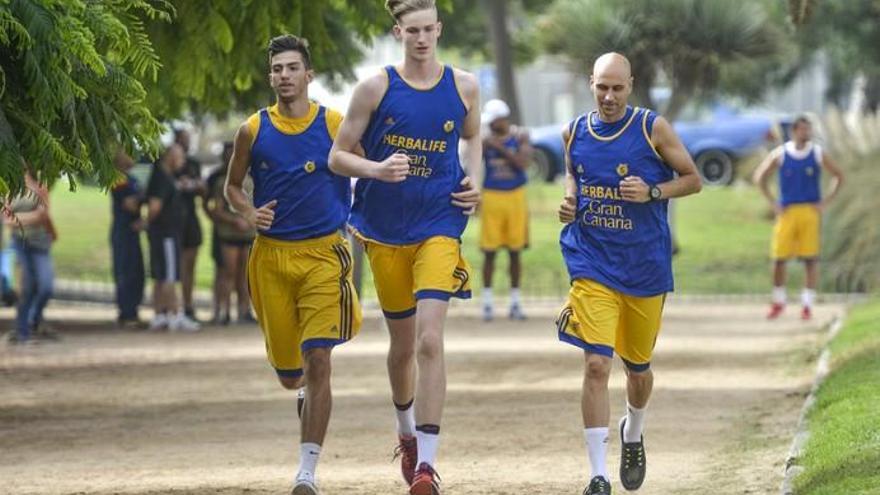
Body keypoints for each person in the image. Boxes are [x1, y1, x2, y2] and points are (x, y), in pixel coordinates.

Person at [329, 1, 482, 492]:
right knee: (401, 349)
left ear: (439, 29)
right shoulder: (375, 87)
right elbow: (337, 156)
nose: (421, 38)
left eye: (428, 30)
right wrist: (376, 169)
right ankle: (407, 433)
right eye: (411, 30)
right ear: (399, 32)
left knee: (429, 340)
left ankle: (427, 466)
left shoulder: (465, 85)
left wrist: (475, 182)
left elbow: (472, 138)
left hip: (441, 222)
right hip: (385, 229)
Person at [556, 53, 702, 495]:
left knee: (637, 371)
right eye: (602, 87)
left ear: (631, 86)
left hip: (643, 267)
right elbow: (572, 175)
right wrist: (569, 200)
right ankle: (598, 476)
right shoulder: (575, 132)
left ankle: (633, 431)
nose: (609, 96)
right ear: (591, 83)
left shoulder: (650, 128)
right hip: (591, 262)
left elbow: (693, 179)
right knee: (597, 364)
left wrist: (653, 191)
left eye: (618, 88)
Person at [225, 34, 362, 495]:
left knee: (319, 358)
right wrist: (248, 212)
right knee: (291, 376)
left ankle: (307, 472)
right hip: (271, 258)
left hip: (324, 254)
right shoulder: (253, 129)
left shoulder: (335, 124)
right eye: (277, 69)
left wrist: (360, 220)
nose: (284, 76)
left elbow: (364, 174)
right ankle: (301, 390)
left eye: (291, 68)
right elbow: (232, 187)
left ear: (309, 75)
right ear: (271, 77)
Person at [753, 115, 843, 320]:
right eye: (803, 129)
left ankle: (807, 304)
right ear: (794, 131)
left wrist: (825, 202)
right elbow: (760, 177)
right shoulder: (782, 154)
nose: (807, 133)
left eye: (808, 129)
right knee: (778, 258)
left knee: (810, 259)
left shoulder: (818, 153)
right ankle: (778, 301)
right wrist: (772, 202)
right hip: (787, 211)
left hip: (809, 211)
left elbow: (839, 175)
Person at [478, 98, 532, 322]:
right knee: (489, 251)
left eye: (494, 121)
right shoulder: (485, 141)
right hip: (491, 196)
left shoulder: (520, 138)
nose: (490, 125)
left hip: (515, 196)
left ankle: (515, 302)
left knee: (515, 251)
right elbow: (472, 160)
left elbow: (522, 164)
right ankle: (488, 303)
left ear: (503, 119)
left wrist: (498, 147)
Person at [145, 144, 201, 332]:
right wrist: (146, 222)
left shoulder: (167, 177)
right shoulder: (162, 178)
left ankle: (160, 314)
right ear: (170, 157)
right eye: (180, 157)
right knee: (169, 275)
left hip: (166, 232)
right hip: (166, 233)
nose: (183, 162)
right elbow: (154, 206)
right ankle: (175, 314)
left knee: (161, 275)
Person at [5, 172, 58, 344]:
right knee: (25, 287)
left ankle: (33, 318)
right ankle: (22, 331)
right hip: (19, 243)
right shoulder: (8, 187)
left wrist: (17, 218)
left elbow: (42, 215)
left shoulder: (40, 186)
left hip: (40, 244)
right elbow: (6, 219)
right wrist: (28, 218)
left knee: (46, 286)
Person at [207, 142, 256, 324]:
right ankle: (224, 311)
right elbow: (217, 209)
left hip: (248, 234)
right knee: (227, 273)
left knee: (245, 275)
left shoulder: (252, 181)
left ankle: (244, 310)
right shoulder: (222, 182)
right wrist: (234, 220)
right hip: (229, 234)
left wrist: (250, 219)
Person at [110, 150, 146, 328]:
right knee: (125, 271)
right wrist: (146, 196)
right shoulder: (118, 180)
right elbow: (130, 205)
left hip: (132, 232)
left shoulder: (131, 180)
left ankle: (133, 309)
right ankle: (126, 312)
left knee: (137, 271)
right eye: (128, 154)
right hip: (123, 232)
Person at [173, 128, 206, 321]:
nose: (186, 143)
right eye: (183, 139)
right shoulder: (168, 163)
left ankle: (188, 304)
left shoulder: (194, 164)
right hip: (175, 218)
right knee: (174, 265)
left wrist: (198, 187)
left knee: (190, 263)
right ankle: (174, 305)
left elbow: (202, 189)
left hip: (190, 217)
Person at [205, 143, 232, 325]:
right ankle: (218, 309)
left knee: (241, 272)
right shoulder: (215, 177)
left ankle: (241, 310)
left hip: (243, 232)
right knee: (222, 271)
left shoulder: (248, 173)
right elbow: (207, 203)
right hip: (222, 231)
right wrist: (216, 219)